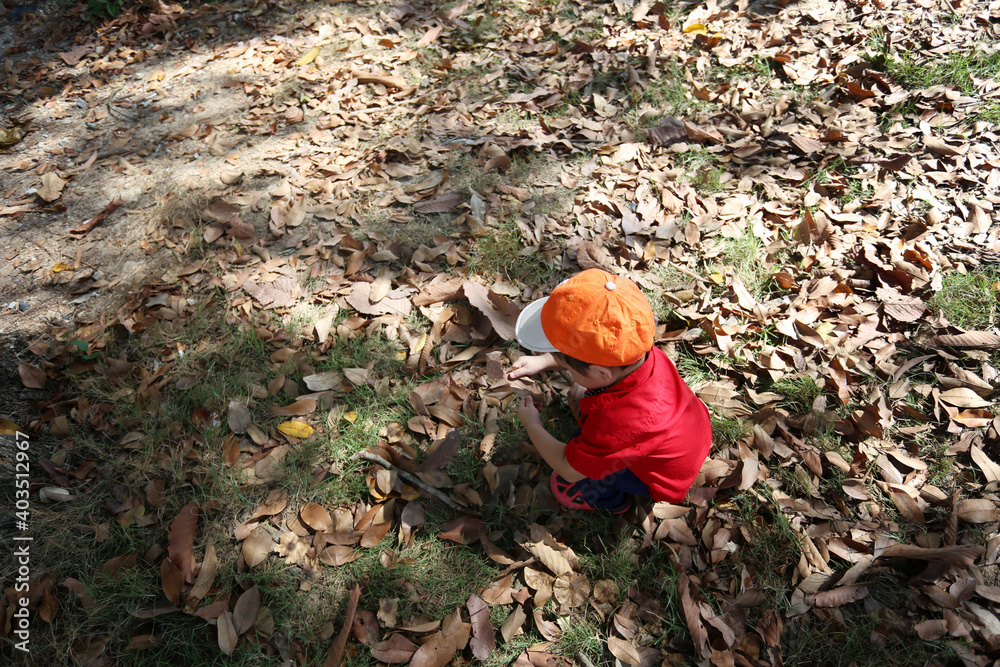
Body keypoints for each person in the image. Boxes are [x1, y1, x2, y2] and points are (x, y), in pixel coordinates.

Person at [509, 269, 712, 513]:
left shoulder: (616, 424)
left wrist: (533, 425)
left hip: (653, 475)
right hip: (688, 434)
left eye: (566, 362)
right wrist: (545, 361)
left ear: (601, 375)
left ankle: (609, 499)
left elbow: (568, 468)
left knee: (579, 479)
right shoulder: (638, 351)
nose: (559, 360)